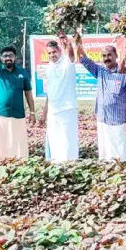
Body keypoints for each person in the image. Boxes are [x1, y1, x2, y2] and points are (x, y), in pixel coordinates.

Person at [75, 34, 126, 161]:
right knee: (105, 154)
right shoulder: (100, 71)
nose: (106, 58)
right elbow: (83, 58)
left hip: (119, 121)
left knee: (121, 155)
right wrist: (78, 42)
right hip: (102, 119)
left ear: (116, 56)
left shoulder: (125, 73)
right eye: (104, 56)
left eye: (109, 55)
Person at [41, 34, 79, 162]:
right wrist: (44, 112)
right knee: (54, 139)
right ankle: (57, 165)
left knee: (68, 139)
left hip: (67, 108)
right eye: (50, 53)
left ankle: (70, 164)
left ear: (59, 50)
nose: (52, 55)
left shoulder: (68, 62)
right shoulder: (49, 69)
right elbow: (49, 93)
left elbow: (71, 53)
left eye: (54, 52)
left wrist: (65, 40)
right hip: (53, 110)